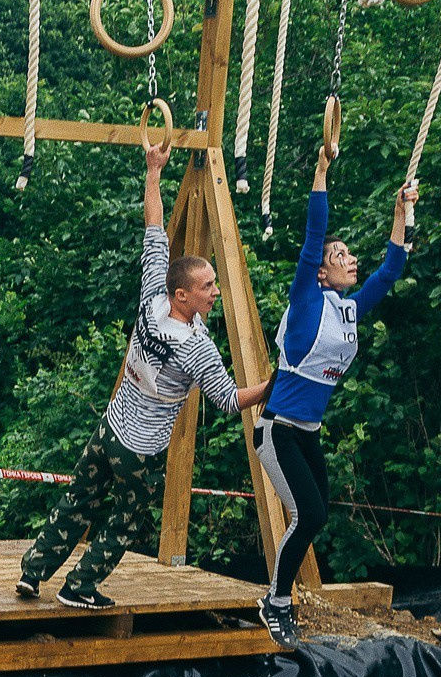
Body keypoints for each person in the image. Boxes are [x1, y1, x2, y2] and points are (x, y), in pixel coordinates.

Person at [18, 143, 271, 608]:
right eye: (207, 286)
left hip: (108, 429)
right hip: (140, 450)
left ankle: (33, 573)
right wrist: (276, 386)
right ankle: (80, 587)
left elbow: (154, 228)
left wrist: (153, 170)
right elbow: (231, 400)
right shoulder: (196, 347)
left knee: (78, 501)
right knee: (124, 522)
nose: (215, 292)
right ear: (183, 295)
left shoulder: (153, 295)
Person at [256, 154, 416, 649]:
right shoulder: (306, 299)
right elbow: (312, 240)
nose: (350, 259)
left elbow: (391, 270)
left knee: (318, 514)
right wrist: (321, 171)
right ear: (322, 273)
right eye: (340, 255)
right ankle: (276, 601)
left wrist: (402, 212)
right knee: (310, 515)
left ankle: (280, 597)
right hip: (278, 428)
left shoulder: (349, 309)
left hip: (307, 433)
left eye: (349, 253)